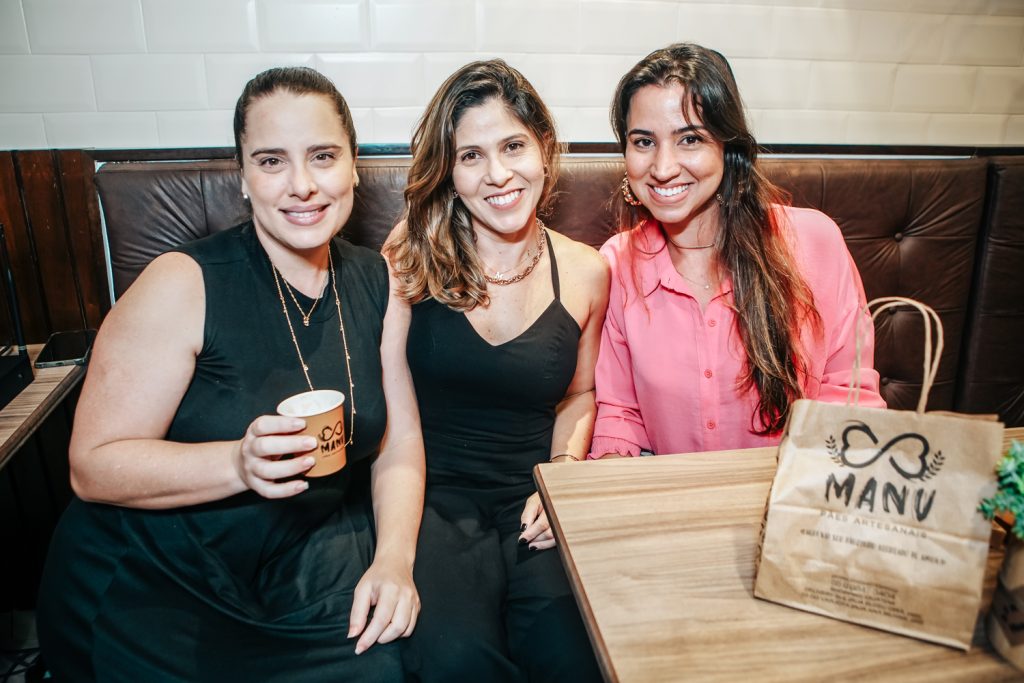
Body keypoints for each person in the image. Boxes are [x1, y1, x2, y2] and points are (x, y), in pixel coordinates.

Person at [37, 67, 424, 682]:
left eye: (322, 156)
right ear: (242, 177)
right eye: (271, 161)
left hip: (302, 548)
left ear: (354, 166)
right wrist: (237, 464)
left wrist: (394, 561)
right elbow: (92, 466)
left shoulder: (380, 281)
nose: (302, 185)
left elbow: (398, 442)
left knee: (390, 664)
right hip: (160, 572)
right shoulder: (181, 283)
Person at [385, 60, 607, 682]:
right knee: (456, 660)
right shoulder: (410, 253)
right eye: (471, 156)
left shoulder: (586, 270)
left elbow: (580, 394)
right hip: (430, 498)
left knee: (573, 656)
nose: (498, 174)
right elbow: (385, 394)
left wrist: (561, 478)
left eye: (513, 146)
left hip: (536, 499)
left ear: (544, 149)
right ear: (450, 173)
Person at [591, 43, 885, 459]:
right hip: (673, 493)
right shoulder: (617, 263)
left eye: (690, 139)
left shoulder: (815, 242)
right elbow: (619, 414)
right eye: (643, 142)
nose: (663, 168)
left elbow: (848, 396)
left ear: (728, 148)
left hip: (796, 489)